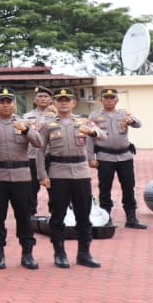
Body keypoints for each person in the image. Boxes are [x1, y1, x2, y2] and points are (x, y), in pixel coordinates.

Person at [0, 88, 43, 270]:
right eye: (2, 101)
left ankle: (27, 253)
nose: (5, 105)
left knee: (24, 216)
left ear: (14, 103)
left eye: (9, 101)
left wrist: (26, 130)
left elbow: (39, 143)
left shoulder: (24, 122)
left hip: (21, 176)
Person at [36, 87, 105, 267]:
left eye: (67, 100)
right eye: (60, 100)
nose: (64, 103)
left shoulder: (84, 121)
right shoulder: (47, 124)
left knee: (83, 215)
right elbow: (39, 151)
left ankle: (84, 253)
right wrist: (42, 175)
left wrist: (92, 132)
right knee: (57, 215)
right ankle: (59, 253)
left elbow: (103, 135)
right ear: (54, 103)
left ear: (73, 103)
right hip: (58, 172)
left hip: (81, 172)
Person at [87, 88, 146, 229]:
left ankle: (131, 218)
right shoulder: (94, 116)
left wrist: (131, 120)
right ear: (101, 100)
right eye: (106, 97)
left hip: (125, 156)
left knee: (129, 187)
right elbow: (89, 138)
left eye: (112, 97)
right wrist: (90, 157)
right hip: (105, 157)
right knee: (105, 188)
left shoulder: (123, 114)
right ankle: (105, 217)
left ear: (117, 100)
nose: (109, 100)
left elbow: (138, 124)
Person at [23, 86, 57, 217]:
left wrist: (52, 113)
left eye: (46, 96)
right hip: (32, 157)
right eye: (40, 96)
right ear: (35, 100)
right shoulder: (27, 117)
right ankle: (30, 217)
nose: (43, 99)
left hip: (51, 157)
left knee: (55, 190)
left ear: (51, 100)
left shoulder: (57, 115)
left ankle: (56, 215)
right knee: (30, 190)